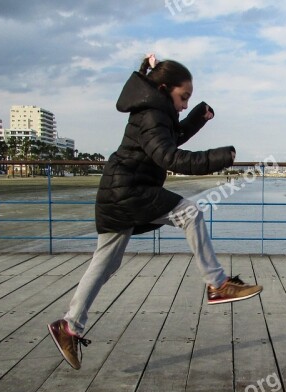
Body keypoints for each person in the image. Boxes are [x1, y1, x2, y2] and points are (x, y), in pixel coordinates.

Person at [48, 54, 263, 370]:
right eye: (183, 97)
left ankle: (69, 326)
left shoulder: (154, 111)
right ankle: (217, 284)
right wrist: (220, 158)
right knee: (191, 214)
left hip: (118, 192)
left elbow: (169, 139)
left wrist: (198, 118)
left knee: (106, 263)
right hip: (129, 191)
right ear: (164, 89)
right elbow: (170, 157)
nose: (183, 105)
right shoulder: (152, 114)